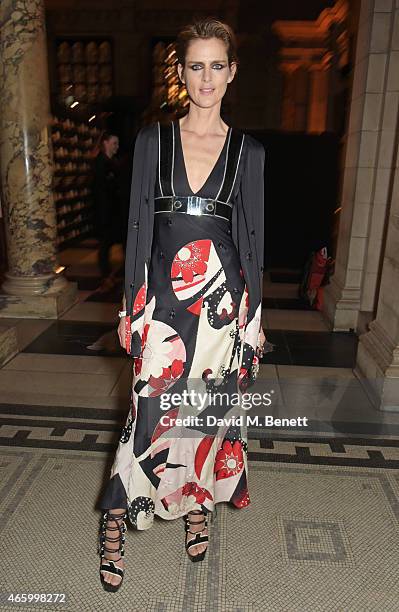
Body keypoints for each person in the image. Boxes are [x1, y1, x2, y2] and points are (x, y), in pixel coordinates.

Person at [97, 17, 269, 592]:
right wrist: (129, 308)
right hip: (162, 303)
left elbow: (252, 239)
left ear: (232, 72)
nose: (206, 77)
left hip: (222, 306)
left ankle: (196, 504)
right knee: (146, 414)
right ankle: (117, 517)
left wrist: (255, 315)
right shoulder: (153, 141)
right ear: (182, 70)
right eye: (196, 65)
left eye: (217, 65)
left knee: (205, 413)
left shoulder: (249, 151)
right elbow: (139, 227)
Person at [92, 132, 122, 281]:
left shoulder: (113, 162)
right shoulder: (100, 163)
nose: (117, 147)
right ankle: (106, 275)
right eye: (114, 143)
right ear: (105, 143)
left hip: (114, 211)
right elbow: (100, 191)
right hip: (104, 211)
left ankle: (113, 273)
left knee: (113, 242)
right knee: (105, 244)